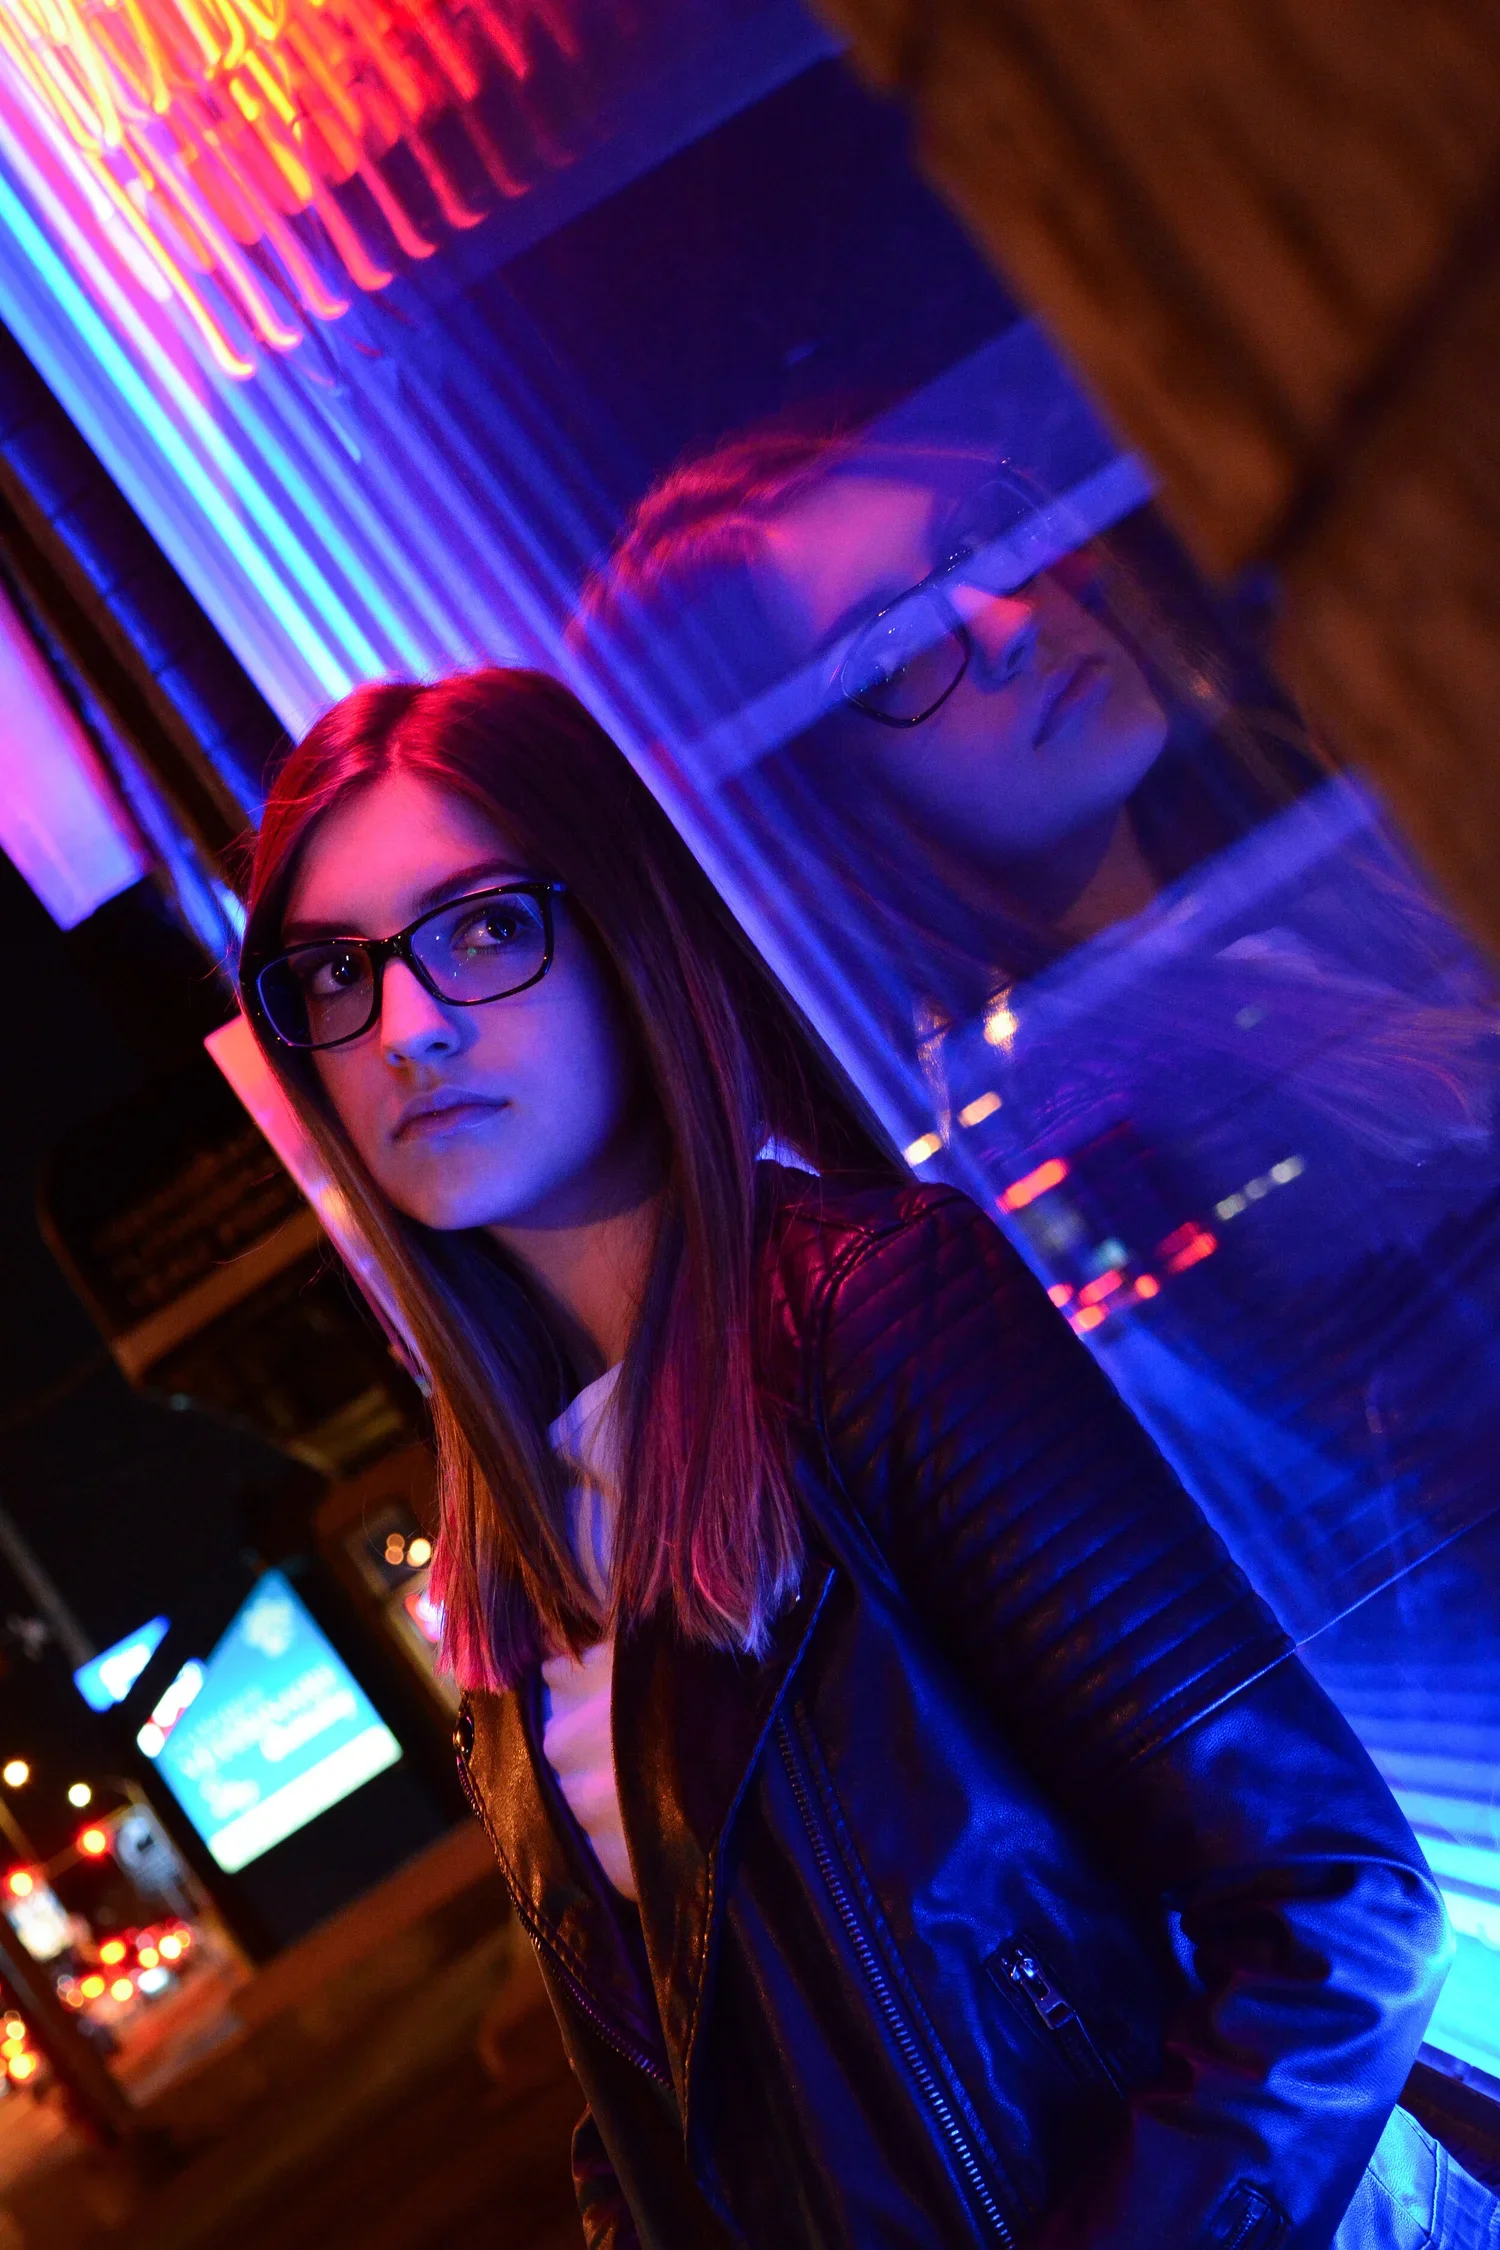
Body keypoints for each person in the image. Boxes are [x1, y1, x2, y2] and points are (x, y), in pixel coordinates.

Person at [239, 666, 1492, 2250]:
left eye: (486, 926)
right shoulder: (518, 1537)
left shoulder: (866, 1316)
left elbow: (1339, 1915)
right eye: (332, 974)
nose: (406, 1027)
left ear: (628, 930)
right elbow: (672, 2122)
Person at [575, 413, 1500, 1644]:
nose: (1007, 625)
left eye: (987, 540)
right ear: (809, 803)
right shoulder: (1066, 1117)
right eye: (891, 649)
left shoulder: (1321, 853)